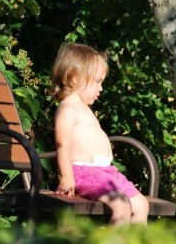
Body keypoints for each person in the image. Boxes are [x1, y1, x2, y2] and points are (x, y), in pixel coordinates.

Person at [49, 42, 149, 225]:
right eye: (97, 81)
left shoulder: (83, 107)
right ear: (73, 78)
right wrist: (66, 177)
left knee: (141, 205)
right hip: (85, 172)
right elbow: (62, 144)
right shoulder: (68, 108)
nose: (100, 88)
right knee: (122, 206)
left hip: (107, 173)